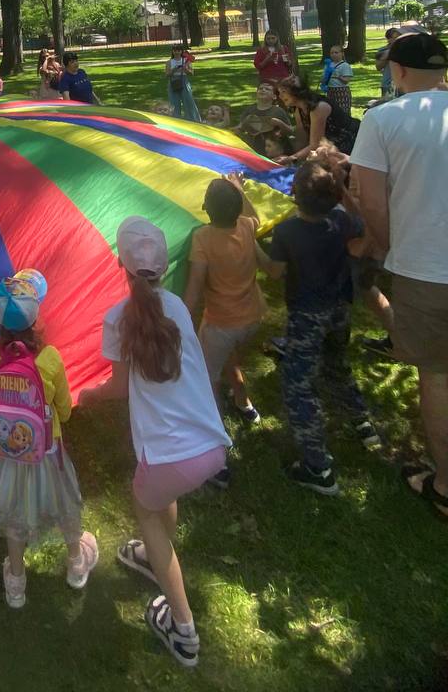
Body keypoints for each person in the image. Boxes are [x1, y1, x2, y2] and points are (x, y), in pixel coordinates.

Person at [81, 218, 230, 670]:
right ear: (165, 268)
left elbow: (118, 387)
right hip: (211, 445)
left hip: (169, 457)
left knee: (145, 507)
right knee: (161, 499)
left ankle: (183, 631)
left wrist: (88, 396)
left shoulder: (118, 319)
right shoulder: (179, 309)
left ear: (120, 265)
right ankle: (153, 553)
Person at [350, 32, 448, 520]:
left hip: (424, 268)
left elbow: (369, 200)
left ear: (399, 71)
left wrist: (388, 245)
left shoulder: (382, 119)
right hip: (424, 263)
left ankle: (445, 485)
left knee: (438, 373)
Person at [0, 271, 98, 610]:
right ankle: (76, 563)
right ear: (35, 319)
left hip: (5, 453)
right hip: (47, 450)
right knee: (64, 505)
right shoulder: (50, 358)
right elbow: (64, 412)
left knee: (14, 516)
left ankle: (16, 583)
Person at [264, 159, 378, 495]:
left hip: (307, 316)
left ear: (294, 194)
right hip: (339, 309)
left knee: (298, 385)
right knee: (337, 365)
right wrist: (343, 191)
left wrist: (246, 240)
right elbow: (363, 227)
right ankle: (362, 423)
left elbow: (273, 272)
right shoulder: (341, 221)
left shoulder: (287, 232)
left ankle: (317, 467)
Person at [184, 177, 274, 488]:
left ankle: (217, 458)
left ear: (206, 208)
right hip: (252, 318)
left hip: (221, 325)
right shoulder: (247, 226)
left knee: (206, 383)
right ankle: (244, 403)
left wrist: (179, 320)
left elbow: (195, 288)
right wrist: (240, 189)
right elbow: (255, 217)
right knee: (230, 355)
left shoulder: (202, 238)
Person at [277, 74, 359, 158]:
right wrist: (282, 153)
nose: (280, 96)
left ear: (296, 91)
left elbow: (315, 145)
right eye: (279, 93)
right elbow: (302, 141)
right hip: (333, 148)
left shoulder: (318, 108)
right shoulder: (298, 110)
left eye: (283, 91)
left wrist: (291, 158)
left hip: (354, 143)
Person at [237, 82, 294, 154]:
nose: (263, 90)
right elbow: (239, 129)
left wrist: (279, 123)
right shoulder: (250, 109)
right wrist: (243, 125)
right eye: (260, 88)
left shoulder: (278, 111)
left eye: (267, 89)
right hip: (252, 148)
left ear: (274, 96)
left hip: (272, 151)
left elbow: (290, 131)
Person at [165, 44, 200, 122]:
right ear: (172, 52)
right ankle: (175, 120)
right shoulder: (169, 62)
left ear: (181, 51)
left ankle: (193, 120)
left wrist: (185, 69)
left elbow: (191, 73)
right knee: (174, 103)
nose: (177, 52)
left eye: (179, 50)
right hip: (173, 82)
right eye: (175, 50)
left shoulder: (186, 60)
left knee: (188, 101)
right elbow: (167, 75)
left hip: (184, 81)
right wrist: (173, 70)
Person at [325, 44, 354, 114]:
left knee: (343, 111)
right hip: (331, 90)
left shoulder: (345, 65)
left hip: (341, 91)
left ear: (342, 54)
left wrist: (338, 76)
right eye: (332, 53)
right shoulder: (329, 65)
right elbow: (325, 78)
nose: (334, 54)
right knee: (332, 111)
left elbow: (346, 80)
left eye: (336, 52)